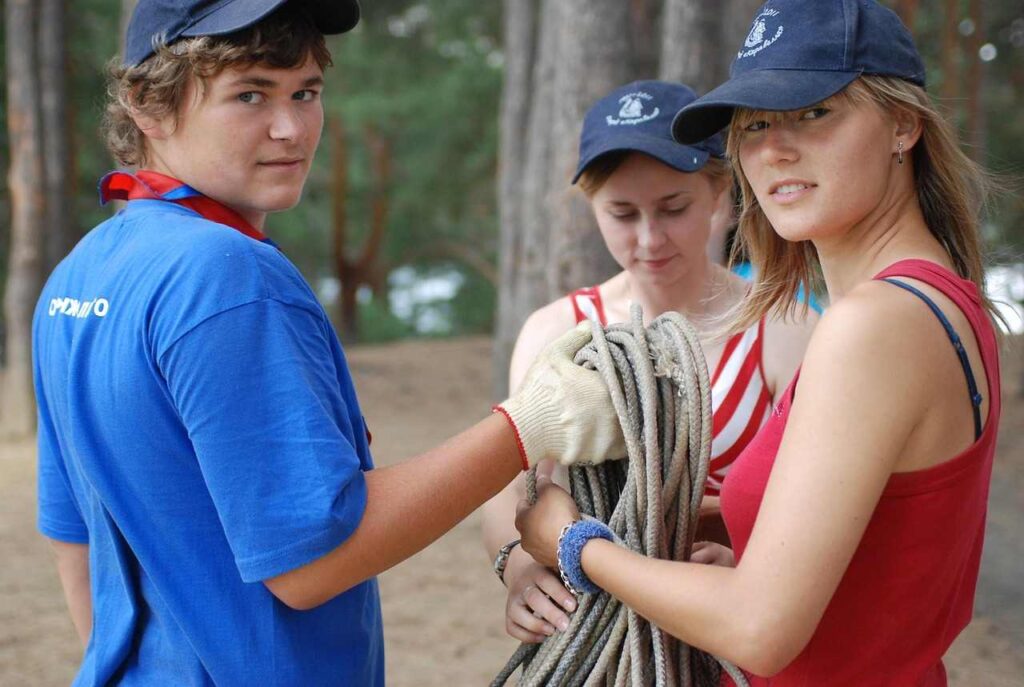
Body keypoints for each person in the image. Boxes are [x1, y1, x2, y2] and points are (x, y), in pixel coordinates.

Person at [32, 2, 625, 684]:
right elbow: (310, 562)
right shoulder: (227, 275)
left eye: (305, 92)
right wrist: (530, 424)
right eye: (249, 94)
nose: (290, 128)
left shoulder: (81, 270)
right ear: (147, 105)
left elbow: (71, 537)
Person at [515, 1, 1004, 684]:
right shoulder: (940, 298)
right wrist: (726, 536)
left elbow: (759, 628)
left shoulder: (872, 325)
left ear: (903, 124)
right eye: (755, 125)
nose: (773, 149)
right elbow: (882, 545)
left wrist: (573, 544)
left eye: (814, 113)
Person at [481, 80, 816, 644]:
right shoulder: (557, 332)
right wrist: (518, 572)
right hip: (603, 644)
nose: (649, 238)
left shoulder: (781, 330)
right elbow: (513, 489)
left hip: (732, 640)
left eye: (674, 208)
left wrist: (748, 561)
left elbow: (820, 508)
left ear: (720, 195)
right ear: (591, 206)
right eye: (622, 213)